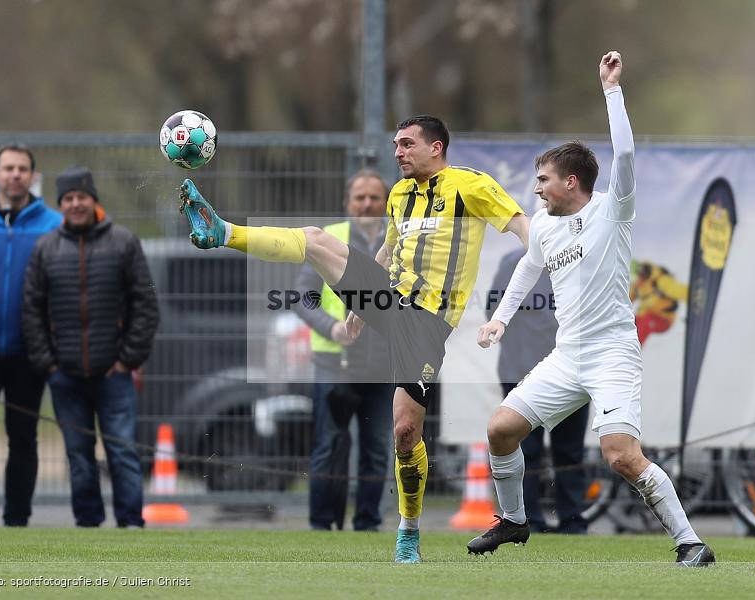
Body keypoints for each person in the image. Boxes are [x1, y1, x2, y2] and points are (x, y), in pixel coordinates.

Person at [179, 116, 529, 562]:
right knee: (314, 238)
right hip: (388, 299)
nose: (398, 152)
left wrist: (544, 259)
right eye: (395, 144)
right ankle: (223, 232)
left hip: (426, 322)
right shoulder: (401, 194)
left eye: (407, 144)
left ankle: (408, 530)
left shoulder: (471, 185)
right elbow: (388, 249)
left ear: (436, 147)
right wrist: (358, 309)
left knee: (405, 433)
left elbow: (521, 225)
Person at [468, 51, 715, 566]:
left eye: (543, 180)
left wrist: (612, 90)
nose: (536, 189)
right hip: (567, 355)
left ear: (571, 183)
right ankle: (515, 520)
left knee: (621, 456)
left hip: (612, 353)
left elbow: (624, 157)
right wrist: (499, 320)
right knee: (500, 429)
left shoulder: (611, 208)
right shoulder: (546, 226)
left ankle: (690, 541)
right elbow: (526, 269)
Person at [21, 166, 159, 528]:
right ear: (60, 205)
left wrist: (127, 359)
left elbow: (145, 304)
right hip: (65, 376)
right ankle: (88, 526)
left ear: (94, 200)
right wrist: (48, 363)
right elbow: (31, 310)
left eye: (82, 197)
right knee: (78, 457)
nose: (75, 204)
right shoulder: (45, 248)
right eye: (68, 199)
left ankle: (131, 524)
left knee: (123, 452)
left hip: (114, 374)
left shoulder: (124, 242)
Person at [0, 144, 61, 527]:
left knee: (23, 438)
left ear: (33, 177)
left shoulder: (53, 226)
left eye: (22, 169)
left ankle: (17, 519)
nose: (15, 174)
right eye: (8, 168)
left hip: (28, 352)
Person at [292, 170, 394, 531]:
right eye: (360, 198)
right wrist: (333, 328)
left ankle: (367, 524)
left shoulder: (401, 240)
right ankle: (323, 525)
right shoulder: (328, 239)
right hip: (335, 365)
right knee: (329, 447)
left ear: (386, 202)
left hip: (384, 368)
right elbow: (303, 297)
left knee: (377, 450)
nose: (367, 204)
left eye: (374, 198)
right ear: (347, 203)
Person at [487, 248, 589, 534]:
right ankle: (529, 518)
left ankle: (571, 521)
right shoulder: (514, 262)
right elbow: (494, 311)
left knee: (569, 450)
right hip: (524, 370)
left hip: (571, 371)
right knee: (527, 449)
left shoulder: (583, 260)